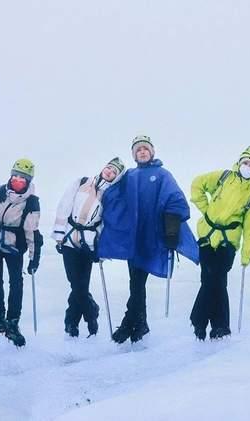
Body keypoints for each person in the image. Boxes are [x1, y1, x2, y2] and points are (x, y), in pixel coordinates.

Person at [98, 135, 199, 344]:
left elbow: (175, 200)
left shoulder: (162, 174)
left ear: (152, 152)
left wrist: (171, 230)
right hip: (133, 237)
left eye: (145, 149)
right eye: (138, 150)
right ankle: (140, 324)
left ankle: (129, 323)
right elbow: (115, 194)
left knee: (137, 282)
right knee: (135, 282)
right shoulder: (130, 175)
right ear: (134, 155)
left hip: (150, 237)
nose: (142, 152)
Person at [189, 146, 250, 340]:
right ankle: (219, 326)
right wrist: (206, 209)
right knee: (213, 281)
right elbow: (198, 184)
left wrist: (247, 253)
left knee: (214, 279)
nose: (247, 167)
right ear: (239, 162)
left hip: (227, 243)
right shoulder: (223, 177)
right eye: (245, 162)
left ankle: (199, 320)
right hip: (207, 236)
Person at [52, 157, 126, 338]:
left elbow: (106, 223)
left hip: (89, 243)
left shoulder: (110, 196)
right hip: (69, 239)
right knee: (76, 283)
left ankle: (71, 324)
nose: (109, 172)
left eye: (114, 172)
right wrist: (59, 235)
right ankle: (91, 313)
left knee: (81, 285)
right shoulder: (81, 183)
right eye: (109, 168)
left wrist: (102, 249)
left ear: (116, 178)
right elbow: (64, 206)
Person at [0, 159, 43, 347]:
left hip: (14, 245)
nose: (17, 180)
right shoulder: (0, 191)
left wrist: (34, 256)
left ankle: (13, 322)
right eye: (14, 175)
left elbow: (32, 230)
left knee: (16, 281)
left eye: (22, 178)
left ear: (28, 181)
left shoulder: (31, 201)